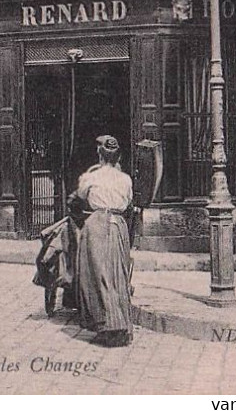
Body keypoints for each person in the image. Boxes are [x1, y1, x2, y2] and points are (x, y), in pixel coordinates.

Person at [74, 134, 133, 346]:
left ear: (100, 154)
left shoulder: (92, 176)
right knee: (118, 272)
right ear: (118, 156)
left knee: (95, 273)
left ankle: (103, 323)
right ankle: (120, 324)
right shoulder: (125, 178)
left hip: (97, 222)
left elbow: (81, 195)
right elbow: (128, 201)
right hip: (118, 223)